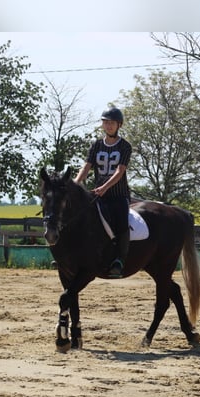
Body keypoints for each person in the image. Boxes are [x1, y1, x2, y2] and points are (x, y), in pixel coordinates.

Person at [74, 106, 132, 278]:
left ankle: (119, 261)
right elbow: (86, 167)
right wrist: (76, 183)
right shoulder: (96, 145)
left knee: (122, 224)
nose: (108, 126)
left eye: (112, 123)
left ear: (119, 125)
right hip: (98, 195)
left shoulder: (125, 146)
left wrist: (105, 187)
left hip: (118, 195)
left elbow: (120, 171)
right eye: (105, 122)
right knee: (76, 218)